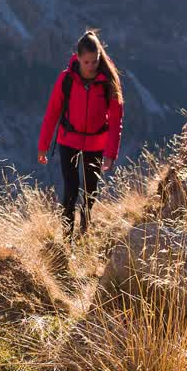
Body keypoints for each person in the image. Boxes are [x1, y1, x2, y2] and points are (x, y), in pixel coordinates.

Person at [37, 30, 125, 238]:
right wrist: (43, 146)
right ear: (77, 58)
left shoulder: (108, 82)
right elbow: (52, 113)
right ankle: (67, 239)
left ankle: (84, 230)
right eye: (87, 62)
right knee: (70, 190)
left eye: (95, 61)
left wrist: (111, 153)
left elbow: (115, 120)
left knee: (90, 192)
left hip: (96, 144)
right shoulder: (66, 79)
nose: (91, 66)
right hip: (68, 141)